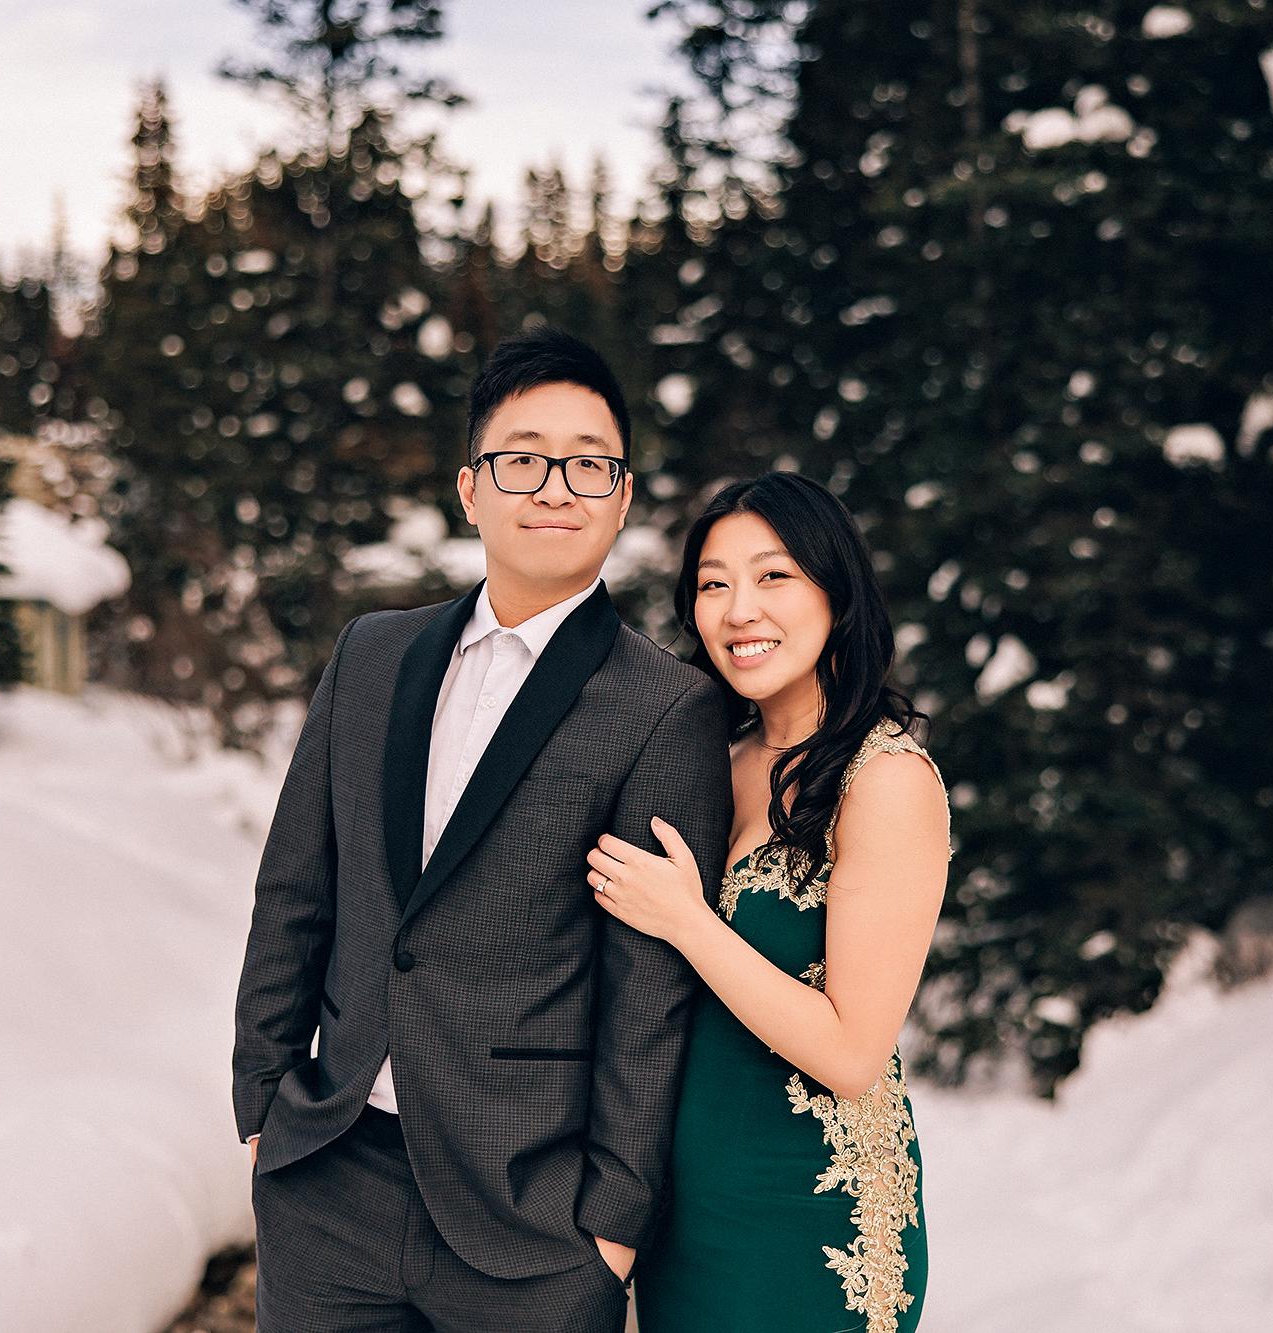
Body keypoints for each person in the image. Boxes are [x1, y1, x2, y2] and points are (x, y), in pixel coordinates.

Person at [231, 327, 733, 1332]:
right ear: (470, 488)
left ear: (621, 496)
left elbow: (649, 997)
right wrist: (261, 1106)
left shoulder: (664, 709)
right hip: (327, 1183)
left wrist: (611, 1226)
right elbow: (296, 889)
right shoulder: (369, 655)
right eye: (522, 457)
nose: (555, 485)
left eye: (588, 462)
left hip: (530, 1224)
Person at [586, 472, 952, 1333]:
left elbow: (852, 1049)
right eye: (714, 583)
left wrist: (688, 920)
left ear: (837, 591)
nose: (739, 608)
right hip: (682, 1212)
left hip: (808, 1214)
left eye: (773, 575)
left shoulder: (887, 780)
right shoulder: (712, 756)